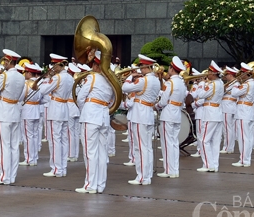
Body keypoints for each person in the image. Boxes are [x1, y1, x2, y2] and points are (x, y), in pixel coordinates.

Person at [75, 50, 115, 193]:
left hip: (91, 115)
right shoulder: (111, 80)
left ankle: (90, 185)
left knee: (89, 152)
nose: (92, 67)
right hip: (104, 115)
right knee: (102, 152)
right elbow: (113, 101)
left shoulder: (92, 78)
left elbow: (80, 97)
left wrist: (84, 109)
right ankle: (100, 184)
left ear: (97, 65)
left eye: (93, 64)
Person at [121, 54, 160, 184]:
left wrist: (130, 77)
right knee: (147, 147)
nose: (140, 70)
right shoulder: (156, 80)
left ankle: (142, 177)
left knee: (140, 148)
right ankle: (147, 175)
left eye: (141, 67)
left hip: (139, 115)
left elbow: (125, 88)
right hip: (148, 113)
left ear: (145, 67)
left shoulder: (143, 80)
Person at [0, 50, 25, 185]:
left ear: (9, 62)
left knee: (4, 146)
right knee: (14, 146)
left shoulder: (4, 76)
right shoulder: (21, 77)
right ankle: (12, 176)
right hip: (15, 111)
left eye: (5, 61)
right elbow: (21, 96)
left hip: (4, 112)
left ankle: (4, 176)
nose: (3, 63)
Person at [37, 54, 72, 178]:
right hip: (64, 108)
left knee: (54, 141)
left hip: (55, 109)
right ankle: (62, 168)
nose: (52, 67)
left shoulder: (57, 78)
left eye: (54, 65)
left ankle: (56, 168)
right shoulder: (70, 77)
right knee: (63, 140)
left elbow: (42, 90)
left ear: (58, 65)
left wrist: (47, 80)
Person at [155, 56, 188, 178]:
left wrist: (156, 106)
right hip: (177, 114)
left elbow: (163, 101)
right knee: (174, 143)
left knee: (167, 143)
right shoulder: (182, 83)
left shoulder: (170, 83)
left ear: (172, 69)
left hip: (168, 114)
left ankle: (169, 170)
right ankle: (175, 170)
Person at [194, 61, 224, 172]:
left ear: (214, 73)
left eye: (209, 72)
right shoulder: (220, 83)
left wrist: (204, 84)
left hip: (209, 113)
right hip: (217, 112)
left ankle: (207, 164)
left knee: (204, 140)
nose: (207, 74)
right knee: (215, 141)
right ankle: (214, 164)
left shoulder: (212, 84)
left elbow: (200, 95)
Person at [232, 62, 254, 167]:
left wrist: (236, 83)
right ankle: (246, 159)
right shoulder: (253, 84)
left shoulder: (246, 84)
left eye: (242, 73)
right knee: (248, 137)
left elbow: (234, 93)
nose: (240, 75)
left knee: (243, 137)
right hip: (248, 111)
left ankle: (244, 160)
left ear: (246, 74)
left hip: (243, 112)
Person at [20, 62, 43, 166]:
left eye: (26, 72)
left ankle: (29, 158)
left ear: (29, 73)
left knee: (28, 136)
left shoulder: (26, 84)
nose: (25, 74)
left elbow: (20, 97)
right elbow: (45, 98)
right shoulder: (40, 83)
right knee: (34, 135)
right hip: (36, 110)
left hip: (27, 111)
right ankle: (34, 157)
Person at [220, 66, 238, 154]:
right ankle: (229, 147)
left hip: (228, 107)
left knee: (227, 129)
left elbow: (222, 91)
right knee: (229, 128)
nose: (225, 77)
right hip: (228, 107)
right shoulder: (232, 83)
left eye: (226, 75)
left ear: (230, 75)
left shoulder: (234, 83)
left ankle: (227, 147)